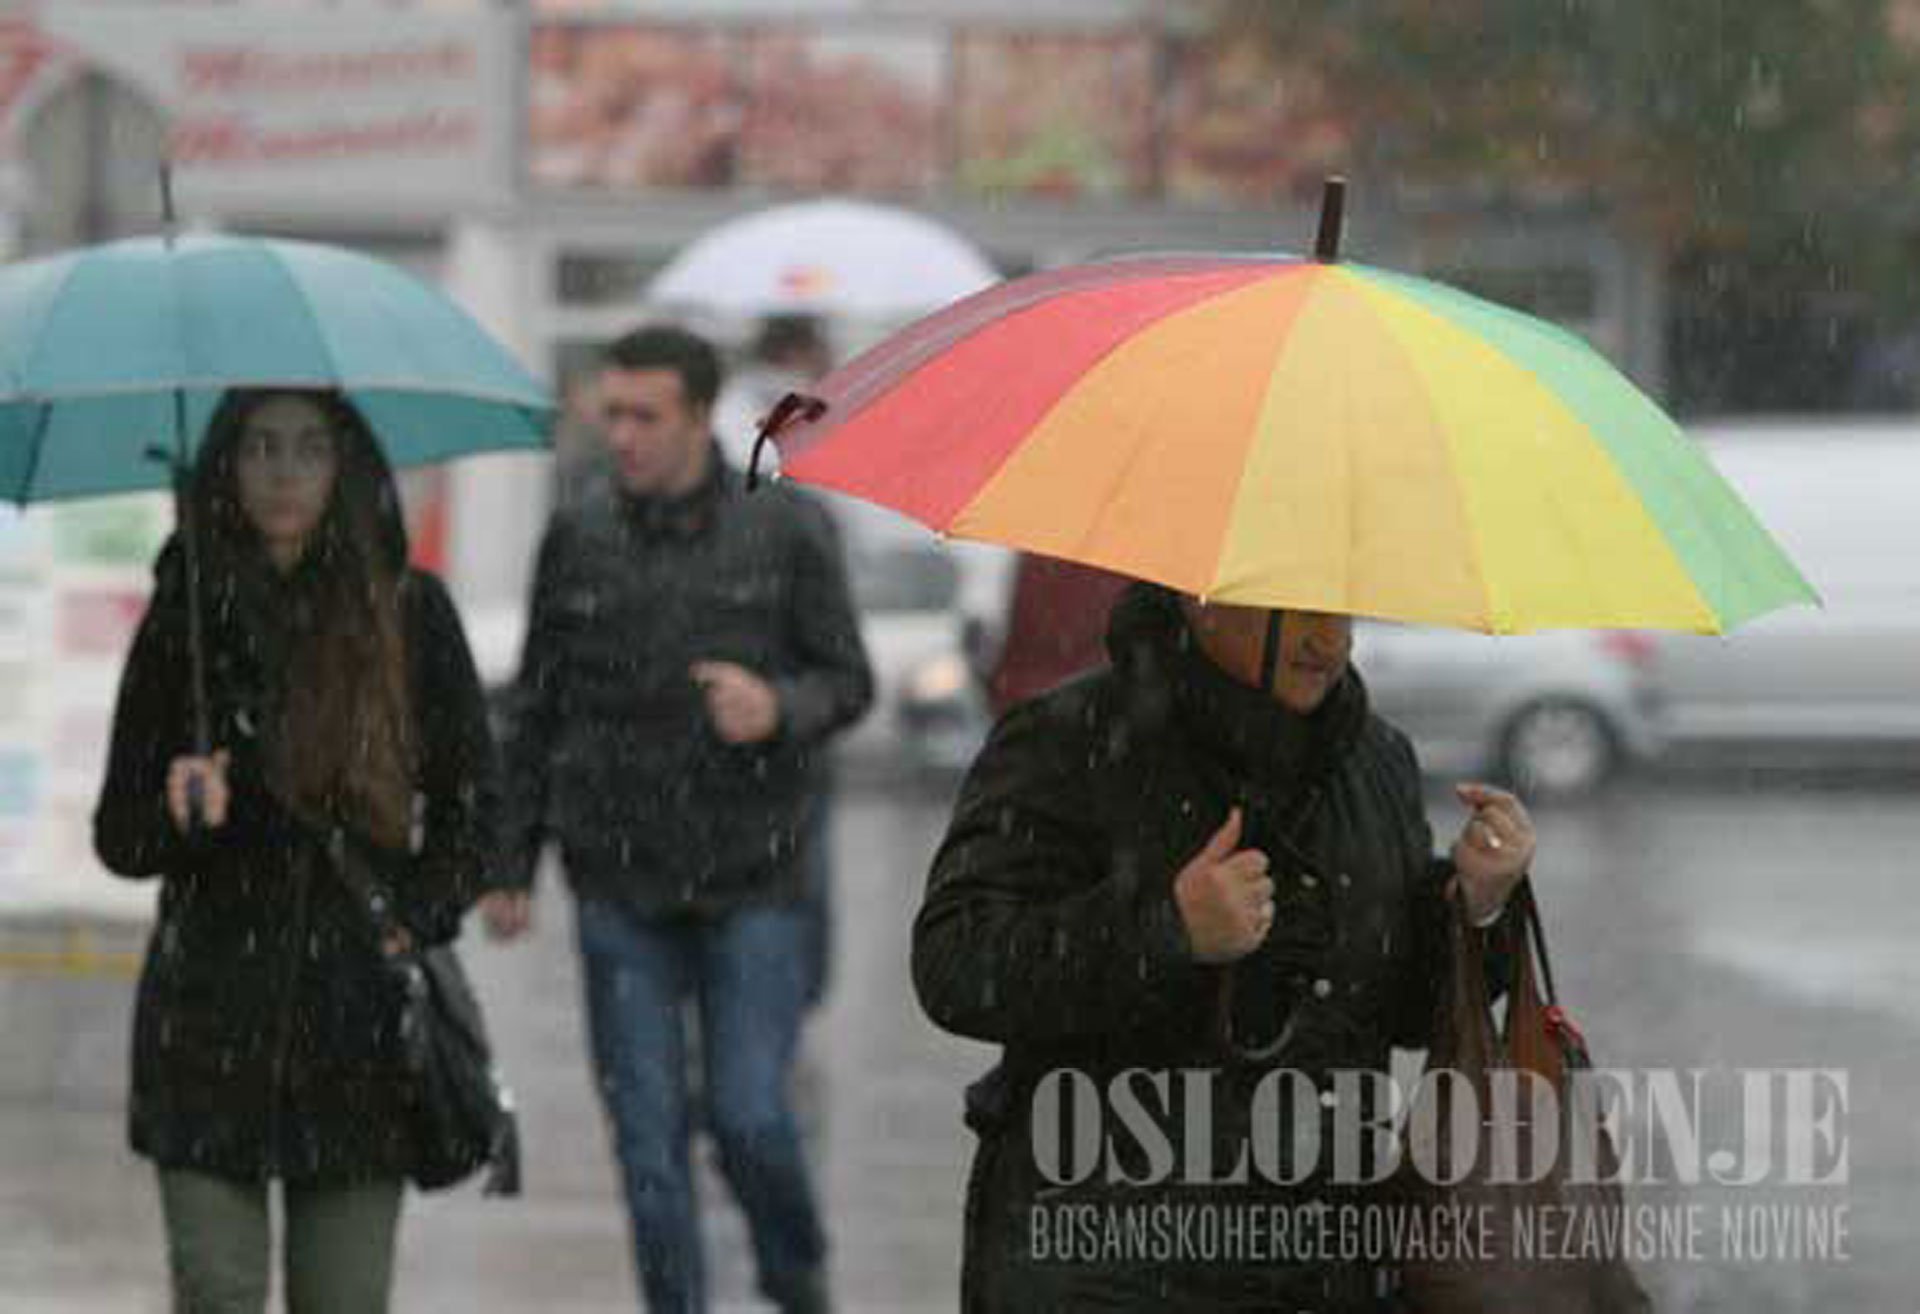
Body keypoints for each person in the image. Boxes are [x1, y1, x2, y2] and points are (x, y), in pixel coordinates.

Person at [913, 582, 1534, 1311]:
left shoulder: (1376, 761)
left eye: (1341, 610)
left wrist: (1477, 909)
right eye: (1297, 607)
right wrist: (1166, 931)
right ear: (1199, 595)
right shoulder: (1065, 740)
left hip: (1319, 1261)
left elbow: (1394, 1013)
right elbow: (958, 964)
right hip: (1105, 1258)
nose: (1327, 641)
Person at [480, 325, 873, 1314]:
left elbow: (849, 680)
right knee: (648, 1141)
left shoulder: (784, 529)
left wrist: (777, 707)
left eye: (644, 416)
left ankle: (795, 1274)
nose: (623, 435)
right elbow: (536, 706)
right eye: (610, 413)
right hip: (618, 877)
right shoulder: (578, 536)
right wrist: (509, 860)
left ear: (701, 418)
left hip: (756, 876)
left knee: (749, 1116)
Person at [93, 389, 500, 1313]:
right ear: (225, 470)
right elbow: (120, 837)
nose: (282, 473)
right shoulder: (183, 619)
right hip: (205, 1021)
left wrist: (413, 917)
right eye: (260, 449)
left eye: (308, 450)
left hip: (356, 1022)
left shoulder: (409, 613)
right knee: (216, 1291)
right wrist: (184, 811)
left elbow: (475, 806)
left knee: (344, 1300)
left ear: (345, 467)